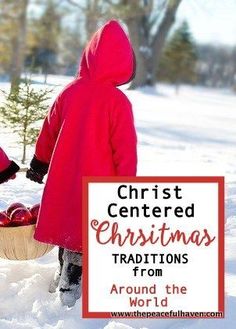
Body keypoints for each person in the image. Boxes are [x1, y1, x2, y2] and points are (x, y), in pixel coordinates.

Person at [26, 19, 137, 307]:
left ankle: (63, 272)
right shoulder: (118, 102)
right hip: (99, 183)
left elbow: (48, 130)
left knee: (68, 229)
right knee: (85, 233)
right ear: (124, 62)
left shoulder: (69, 92)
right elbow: (125, 150)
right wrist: (126, 185)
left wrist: (40, 163)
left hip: (64, 179)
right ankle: (70, 287)